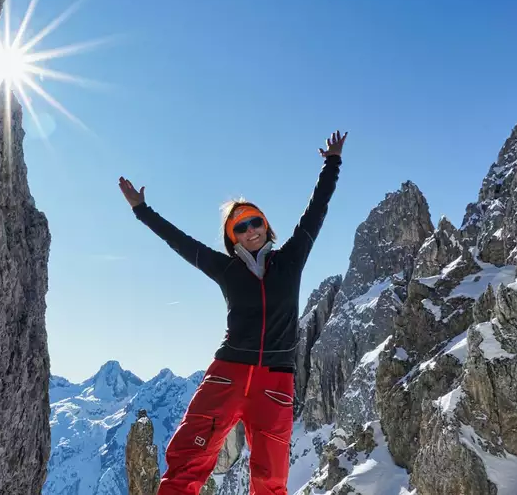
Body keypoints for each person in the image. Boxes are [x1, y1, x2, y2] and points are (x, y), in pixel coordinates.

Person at [118, 130, 346, 495]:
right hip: (228, 373)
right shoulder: (226, 269)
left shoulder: (290, 259)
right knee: (187, 461)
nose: (250, 229)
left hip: (275, 382)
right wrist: (142, 211)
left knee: (271, 481)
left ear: (266, 226)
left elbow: (316, 211)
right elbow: (181, 242)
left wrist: (331, 163)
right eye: (240, 226)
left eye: (255, 222)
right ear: (232, 237)